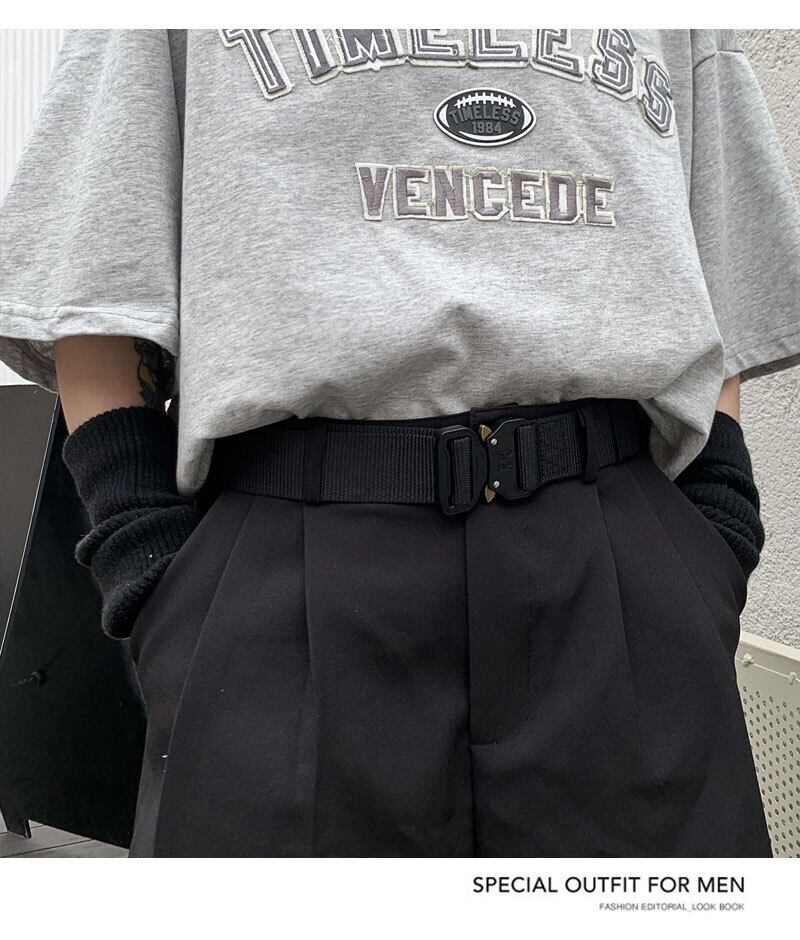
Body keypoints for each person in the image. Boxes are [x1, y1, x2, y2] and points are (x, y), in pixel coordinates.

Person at [1, 28, 797, 858]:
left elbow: (725, 277)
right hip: (285, 571)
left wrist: (714, 533)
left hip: (621, 565)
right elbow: (93, 280)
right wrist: (153, 579)